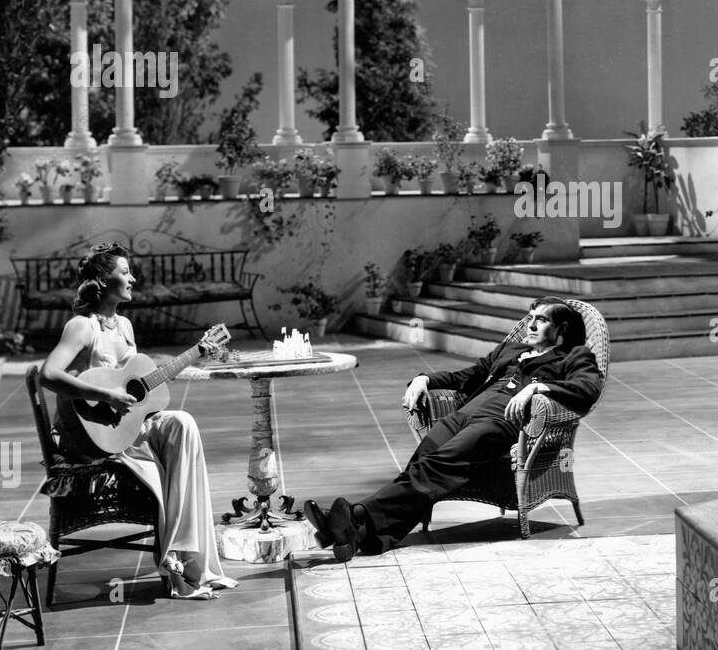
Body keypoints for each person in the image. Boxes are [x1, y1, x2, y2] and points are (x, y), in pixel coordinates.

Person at [305, 297, 602, 560]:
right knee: (421, 464)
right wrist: (425, 379)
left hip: (498, 423)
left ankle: (355, 515)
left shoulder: (573, 357)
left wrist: (538, 387)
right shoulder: (510, 350)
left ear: (561, 329)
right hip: (464, 415)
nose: (531, 324)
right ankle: (362, 534)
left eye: (542, 319)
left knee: (435, 466)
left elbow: (588, 388)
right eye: (531, 316)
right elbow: (467, 376)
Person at [39, 242, 237, 600]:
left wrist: (197, 352)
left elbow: (139, 384)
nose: (133, 278)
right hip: (90, 439)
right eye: (125, 272)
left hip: (122, 431)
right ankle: (179, 558)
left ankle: (183, 556)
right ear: (102, 280)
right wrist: (107, 396)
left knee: (182, 424)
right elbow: (48, 375)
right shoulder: (81, 326)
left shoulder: (126, 325)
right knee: (178, 429)